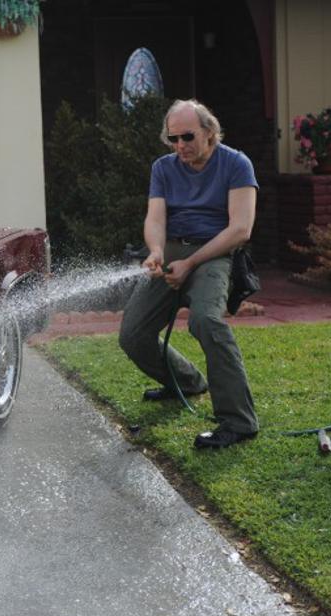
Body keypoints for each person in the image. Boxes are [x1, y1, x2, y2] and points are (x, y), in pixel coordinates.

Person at [118, 99, 258, 449]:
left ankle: (238, 422)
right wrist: (156, 251)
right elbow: (155, 218)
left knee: (205, 322)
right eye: (173, 139)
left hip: (215, 253)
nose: (180, 145)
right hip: (172, 251)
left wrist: (191, 263)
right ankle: (186, 381)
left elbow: (241, 229)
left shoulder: (237, 164)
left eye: (187, 137)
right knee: (133, 334)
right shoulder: (163, 168)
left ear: (209, 132)